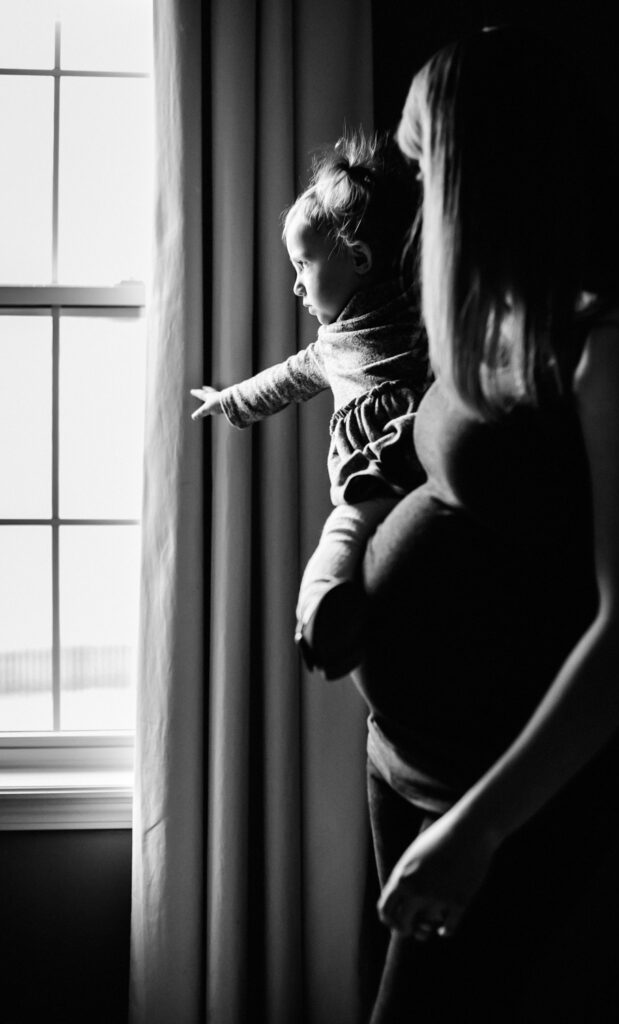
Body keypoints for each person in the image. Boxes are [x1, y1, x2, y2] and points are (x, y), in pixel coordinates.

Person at [352, 25, 619, 1022]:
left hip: (509, 790)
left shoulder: (616, 340)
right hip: (406, 757)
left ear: (470, 165)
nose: (417, 194)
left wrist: (477, 828)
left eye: (423, 164)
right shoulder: (487, 316)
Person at [191, 130, 428, 678]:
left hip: (394, 462)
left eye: (303, 266)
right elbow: (285, 378)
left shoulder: (414, 310)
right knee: (353, 532)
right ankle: (329, 621)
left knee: (346, 529)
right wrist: (231, 399)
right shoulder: (330, 347)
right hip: (388, 467)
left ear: (360, 258)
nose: (296, 286)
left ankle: (318, 615)